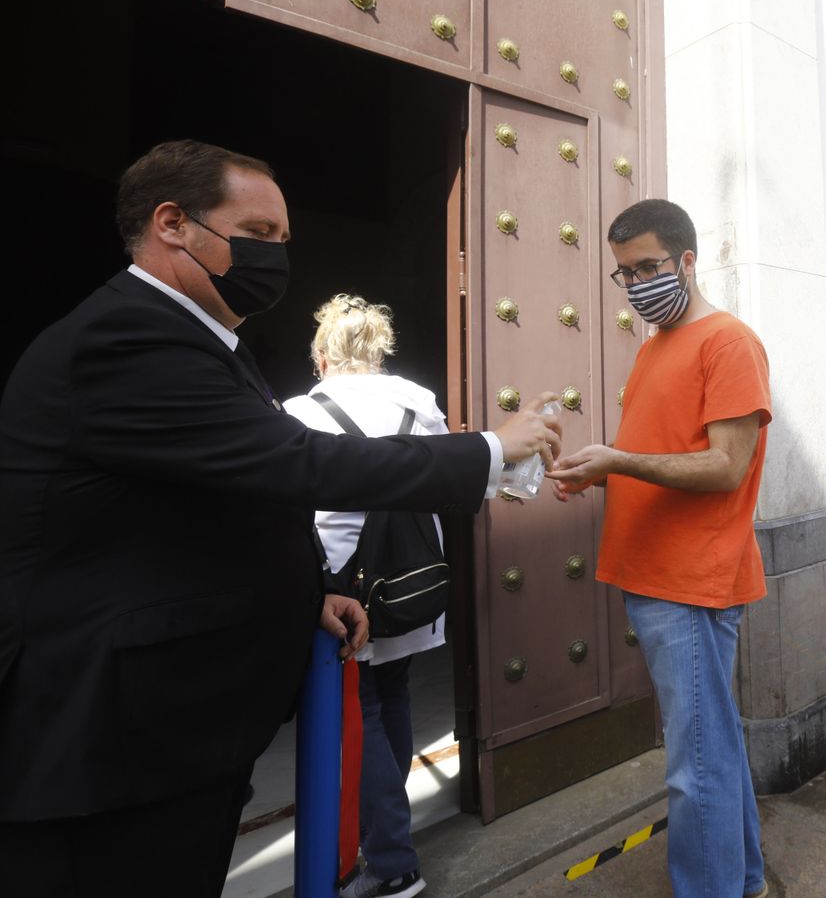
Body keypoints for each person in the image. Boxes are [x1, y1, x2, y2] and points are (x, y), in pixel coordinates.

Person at [0, 140, 562, 897]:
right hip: (109, 741)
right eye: (259, 234)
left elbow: (226, 500)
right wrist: (494, 448)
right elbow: (299, 463)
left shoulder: (204, 342)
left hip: (175, 732)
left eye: (283, 241)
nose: (277, 257)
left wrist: (311, 589)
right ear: (172, 222)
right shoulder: (126, 337)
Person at [548, 199, 771, 898]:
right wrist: (600, 471)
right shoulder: (652, 348)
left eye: (648, 266)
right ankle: (747, 879)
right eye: (624, 272)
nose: (638, 282)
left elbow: (726, 466)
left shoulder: (728, 342)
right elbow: (661, 455)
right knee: (714, 749)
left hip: (693, 583)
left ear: (687, 261)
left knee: (694, 764)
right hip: (656, 577)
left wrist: (618, 462)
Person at [284, 295, 452, 898]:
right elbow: (442, 473)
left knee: (363, 712)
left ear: (322, 356)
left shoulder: (301, 409)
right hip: (408, 577)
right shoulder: (419, 399)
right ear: (380, 353)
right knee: (392, 697)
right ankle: (389, 836)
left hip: (342, 583)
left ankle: (392, 862)